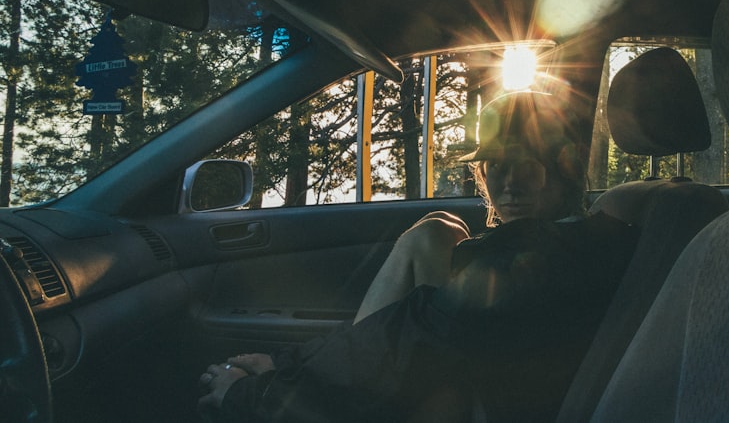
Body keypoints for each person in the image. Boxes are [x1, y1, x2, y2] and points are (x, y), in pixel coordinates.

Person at [198, 90, 639, 422]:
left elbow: (397, 346)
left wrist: (251, 395)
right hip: (488, 386)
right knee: (435, 232)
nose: (507, 182)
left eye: (525, 163)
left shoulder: (527, 270)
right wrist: (286, 363)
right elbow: (399, 335)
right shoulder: (585, 237)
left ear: (565, 167)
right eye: (495, 165)